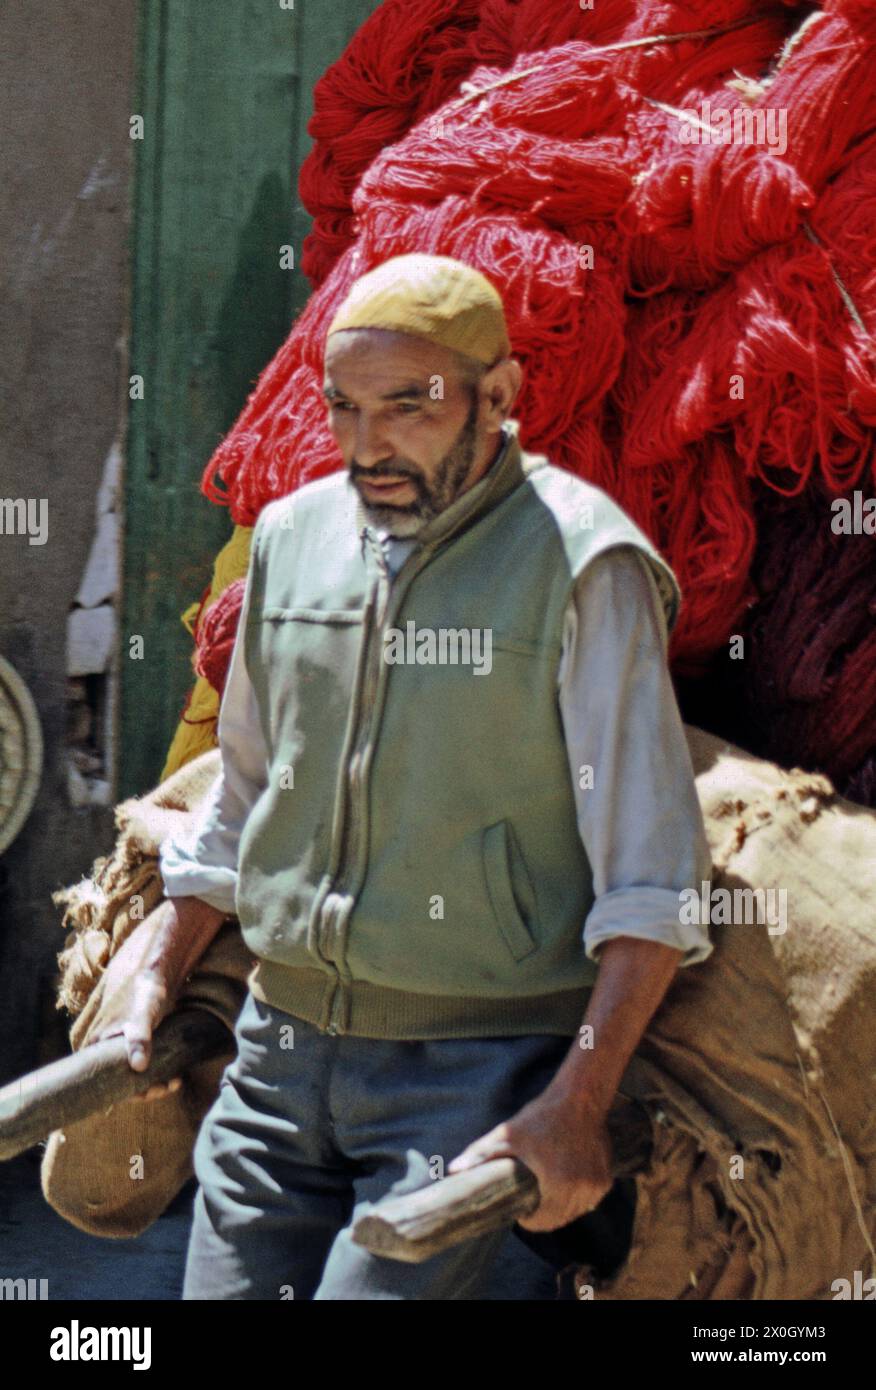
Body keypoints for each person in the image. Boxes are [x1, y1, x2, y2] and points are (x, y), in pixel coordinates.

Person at [96, 253, 713, 1299]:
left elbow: (654, 880)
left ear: (502, 395)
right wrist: (161, 960)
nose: (367, 444)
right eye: (344, 408)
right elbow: (243, 794)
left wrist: (573, 1101)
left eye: (408, 407)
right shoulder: (290, 542)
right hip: (275, 1060)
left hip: (473, 1077)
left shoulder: (581, 563)